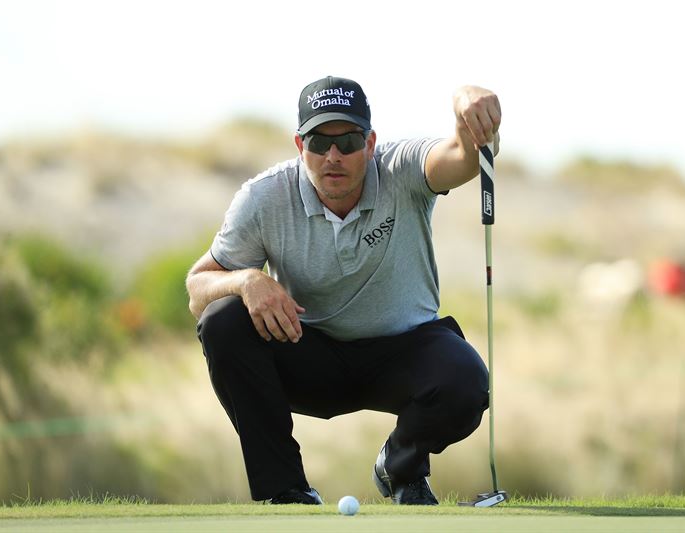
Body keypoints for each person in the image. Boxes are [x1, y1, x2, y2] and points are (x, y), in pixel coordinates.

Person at [186, 75, 501, 505]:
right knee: (222, 320)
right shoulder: (263, 197)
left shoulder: (402, 169)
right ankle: (286, 490)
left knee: (465, 382)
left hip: (404, 353)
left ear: (370, 144)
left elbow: (464, 158)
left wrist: (468, 110)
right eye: (319, 142)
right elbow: (198, 287)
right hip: (309, 353)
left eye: (348, 142)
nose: (333, 156)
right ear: (300, 146)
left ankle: (401, 468)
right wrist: (245, 280)